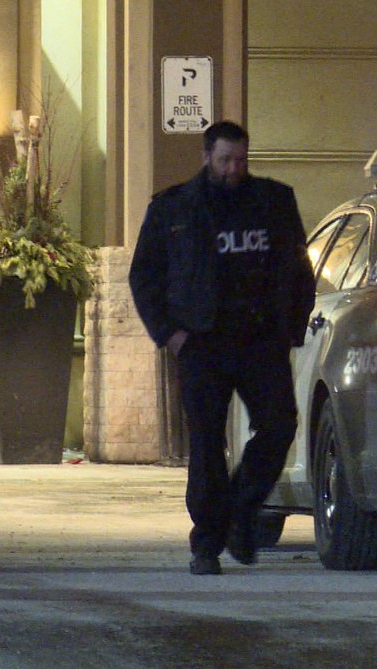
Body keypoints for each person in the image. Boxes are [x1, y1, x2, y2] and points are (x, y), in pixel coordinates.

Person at [128, 120, 315, 575]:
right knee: (207, 444)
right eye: (226, 160)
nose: (234, 169)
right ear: (207, 157)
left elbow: (298, 271)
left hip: (260, 341)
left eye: (241, 160)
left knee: (278, 426)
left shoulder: (273, 202)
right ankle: (207, 545)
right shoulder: (174, 208)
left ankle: (240, 511)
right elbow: (144, 276)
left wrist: (290, 329)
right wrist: (170, 334)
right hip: (202, 342)